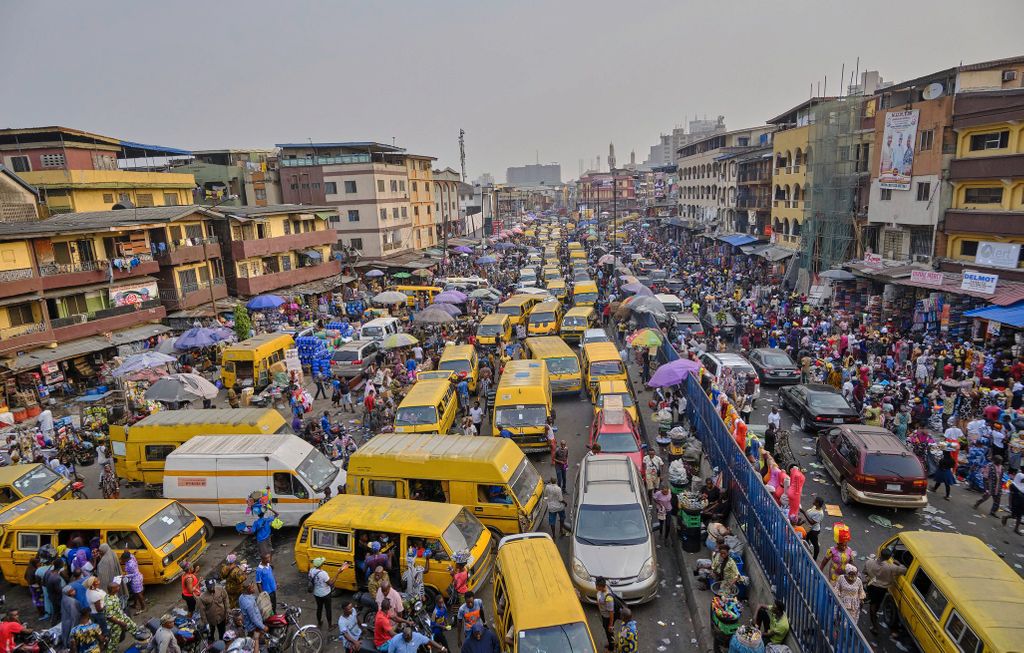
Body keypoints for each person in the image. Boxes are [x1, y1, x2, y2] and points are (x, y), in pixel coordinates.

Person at [864, 550, 906, 635]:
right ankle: (875, 626)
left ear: (880, 554)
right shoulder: (891, 567)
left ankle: (873, 612)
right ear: (889, 558)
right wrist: (898, 563)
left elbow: (865, 572)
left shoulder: (869, 562)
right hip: (882, 589)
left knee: (874, 603)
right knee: (875, 604)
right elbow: (904, 570)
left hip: (871, 585)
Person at [308, 557, 342, 629]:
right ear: (321, 565)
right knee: (328, 609)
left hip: (316, 593)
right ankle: (330, 626)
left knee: (319, 608)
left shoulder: (311, 571)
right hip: (326, 594)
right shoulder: (323, 574)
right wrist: (337, 573)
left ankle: (319, 623)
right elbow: (331, 583)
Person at [102, 579, 134, 653]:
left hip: (121, 616)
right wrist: (121, 623)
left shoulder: (113, 595)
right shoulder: (109, 602)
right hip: (115, 623)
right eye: (117, 587)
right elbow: (110, 617)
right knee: (114, 640)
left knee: (133, 626)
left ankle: (140, 638)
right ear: (112, 589)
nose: (118, 588)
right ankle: (110, 651)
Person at [198, 578, 229, 643]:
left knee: (222, 632)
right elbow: (202, 611)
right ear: (206, 587)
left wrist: (227, 609)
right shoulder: (202, 597)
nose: (212, 588)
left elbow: (225, 598)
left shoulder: (220, 589)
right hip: (210, 620)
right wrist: (205, 623)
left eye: (212, 586)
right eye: (210, 587)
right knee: (210, 634)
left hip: (222, 617)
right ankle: (211, 643)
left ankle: (222, 644)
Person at [238, 583, 267, 650]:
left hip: (248, 625)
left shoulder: (242, 597)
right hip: (254, 628)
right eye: (252, 588)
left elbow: (252, 598)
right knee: (257, 644)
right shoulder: (249, 604)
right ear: (248, 590)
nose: (254, 589)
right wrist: (263, 627)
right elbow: (254, 619)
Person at [594, 577, 617, 650]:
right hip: (603, 615)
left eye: (596, 586)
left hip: (607, 618)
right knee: (608, 633)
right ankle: (611, 643)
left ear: (600, 586)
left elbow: (611, 612)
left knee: (609, 633)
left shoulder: (608, 598)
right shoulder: (602, 590)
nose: (595, 587)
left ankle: (611, 648)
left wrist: (610, 625)